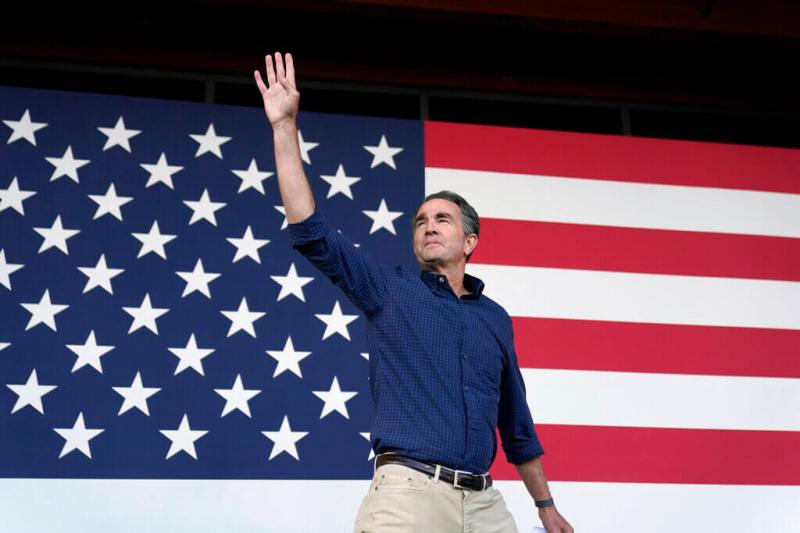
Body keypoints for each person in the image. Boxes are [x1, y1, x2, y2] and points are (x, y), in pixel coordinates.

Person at [255, 52, 573, 533]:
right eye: (420, 221)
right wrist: (284, 127)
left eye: (442, 219)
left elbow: (517, 425)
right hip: (408, 495)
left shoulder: (495, 318)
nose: (428, 227)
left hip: (485, 502)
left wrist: (545, 506)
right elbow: (310, 232)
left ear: (470, 242)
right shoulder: (390, 290)